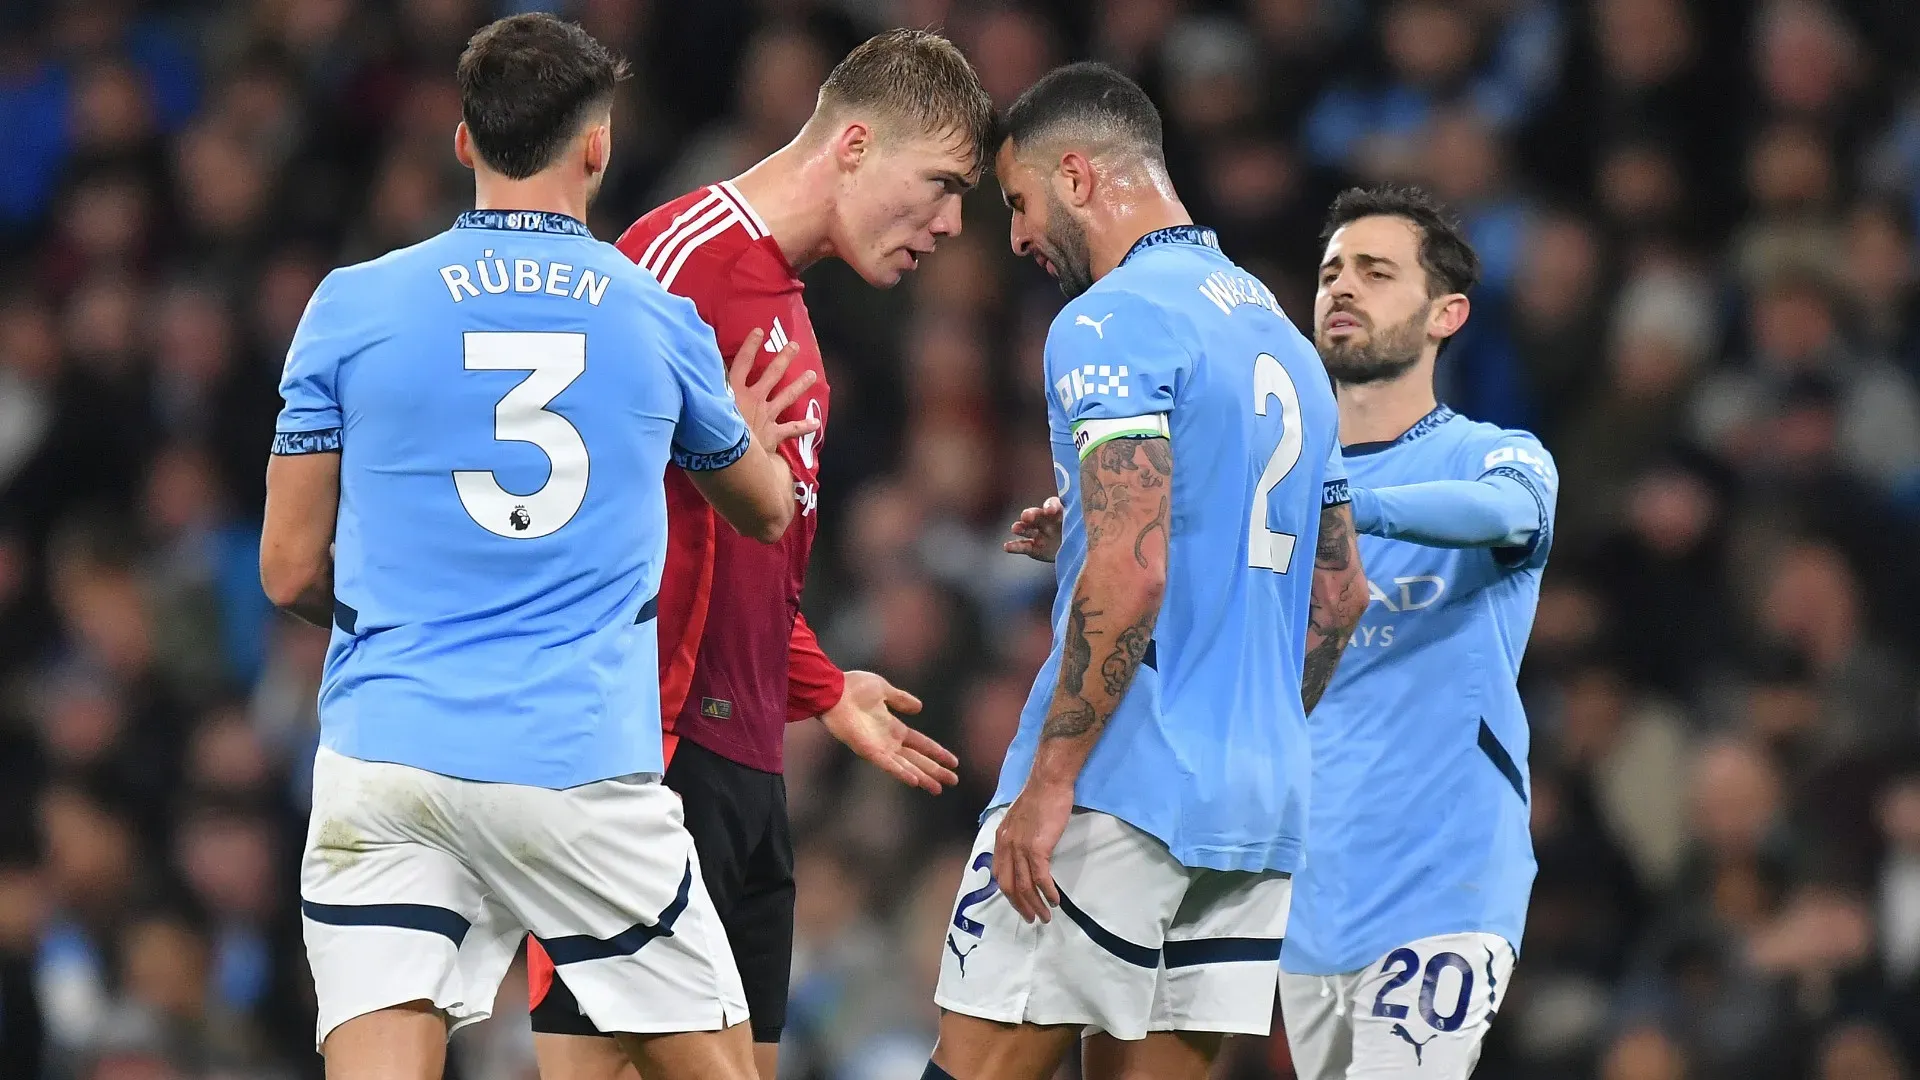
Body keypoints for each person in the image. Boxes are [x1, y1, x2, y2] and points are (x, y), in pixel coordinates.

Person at [260, 15, 817, 1080]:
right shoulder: (655, 316)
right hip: (575, 771)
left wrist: (419, 616)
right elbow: (764, 508)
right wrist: (734, 429)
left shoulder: (351, 305)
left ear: (464, 143)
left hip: (387, 757)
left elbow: (287, 569)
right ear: (597, 147)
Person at [525, 28, 994, 1080]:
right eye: (941, 185)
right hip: (645, 759)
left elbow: (740, 558)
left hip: (745, 774)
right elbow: (569, 488)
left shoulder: (788, 307)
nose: (954, 223)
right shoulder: (681, 255)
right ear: (857, 145)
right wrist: (699, 438)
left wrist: (820, 686)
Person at [926, 63, 1369, 1080]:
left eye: (1021, 202)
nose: (1019, 237)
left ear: (1077, 174)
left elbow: (1134, 569)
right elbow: (1336, 595)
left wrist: (1052, 781)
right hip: (1258, 808)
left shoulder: (1110, 321)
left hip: (1124, 783)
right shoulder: (1282, 335)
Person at [1277, 186, 1558, 1080]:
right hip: (1305, 903)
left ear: (1448, 313)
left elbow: (1502, 513)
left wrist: (1345, 503)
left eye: (1375, 270)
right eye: (1329, 273)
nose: (1342, 288)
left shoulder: (1490, 454)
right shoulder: (1274, 485)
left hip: (1446, 885)